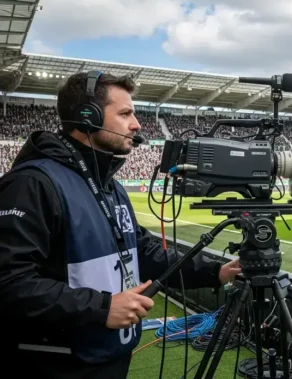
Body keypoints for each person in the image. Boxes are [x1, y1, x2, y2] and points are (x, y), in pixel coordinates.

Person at [0, 71, 241, 379]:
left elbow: (143, 251)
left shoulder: (111, 186)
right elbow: (10, 283)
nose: (137, 124)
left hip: (109, 356)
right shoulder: (32, 184)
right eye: (125, 113)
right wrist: (102, 307)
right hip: (56, 364)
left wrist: (215, 272)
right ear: (88, 117)